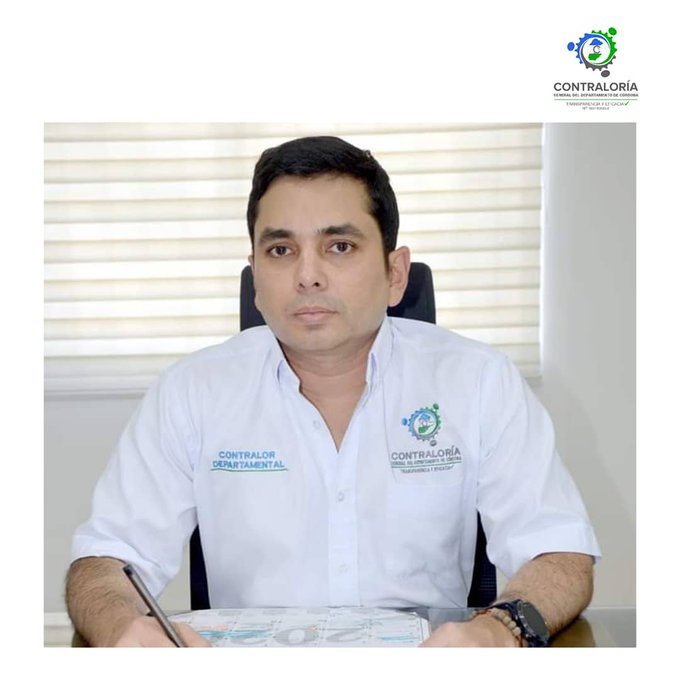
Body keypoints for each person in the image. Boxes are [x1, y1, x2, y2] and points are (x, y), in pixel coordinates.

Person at [66, 136, 600, 647]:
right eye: (281, 250)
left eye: (339, 246)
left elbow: (559, 552)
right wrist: (119, 626)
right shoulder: (190, 392)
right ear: (255, 276)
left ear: (395, 273)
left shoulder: (478, 381)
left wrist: (501, 629)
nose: (308, 276)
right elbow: (106, 561)